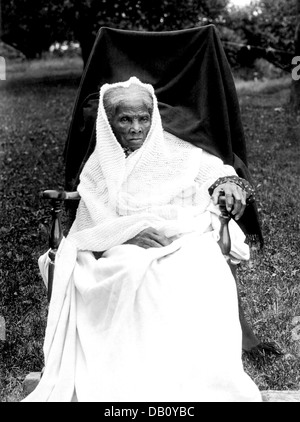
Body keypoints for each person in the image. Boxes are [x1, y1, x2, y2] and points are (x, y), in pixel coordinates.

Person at [23, 77, 262, 402]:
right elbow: (92, 220)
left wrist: (228, 184)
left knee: (195, 266)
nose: (136, 127)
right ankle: (131, 379)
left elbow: (213, 170)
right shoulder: (99, 163)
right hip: (118, 244)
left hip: (182, 233)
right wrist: (127, 233)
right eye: (125, 119)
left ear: (153, 117)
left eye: (143, 118)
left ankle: (188, 379)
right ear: (110, 122)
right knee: (131, 269)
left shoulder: (175, 146)